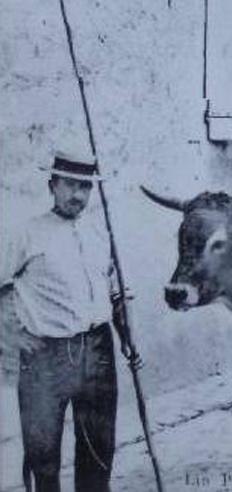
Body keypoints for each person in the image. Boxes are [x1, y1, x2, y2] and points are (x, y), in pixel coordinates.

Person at [1, 152, 134, 492]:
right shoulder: (26, 234)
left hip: (98, 351)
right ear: (52, 185)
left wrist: (127, 338)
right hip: (46, 356)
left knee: (98, 449)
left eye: (85, 186)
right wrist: (11, 338)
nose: (79, 195)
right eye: (71, 185)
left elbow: (116, 294)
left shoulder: (101, 234)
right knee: (43, 454)